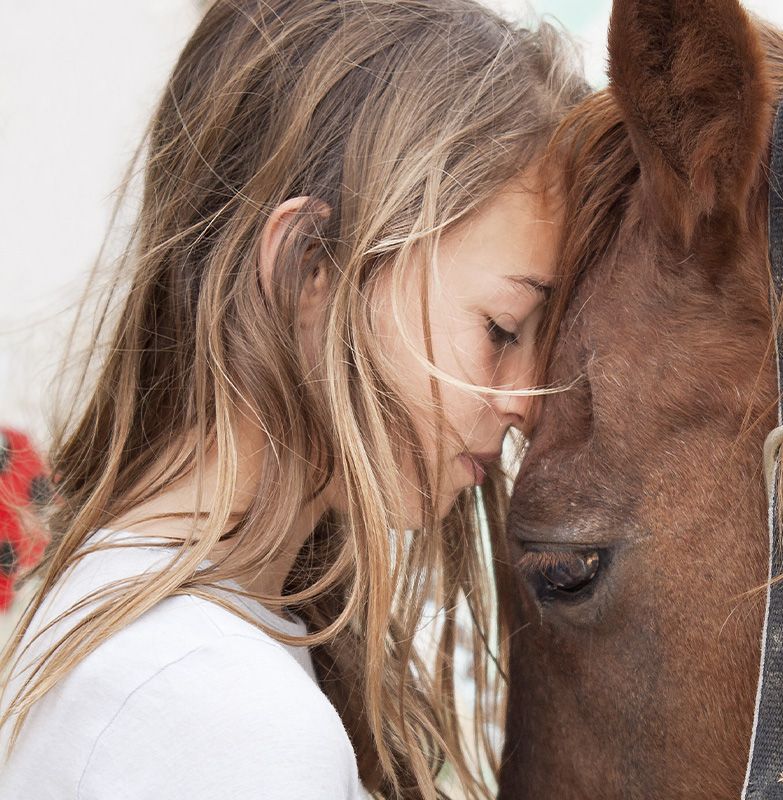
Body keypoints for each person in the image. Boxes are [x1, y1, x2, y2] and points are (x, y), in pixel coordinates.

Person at [0, 1, 587, 797]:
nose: (525, 402)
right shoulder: (221, 708)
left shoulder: (164, 638)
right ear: (307, 269)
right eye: (502, 327)